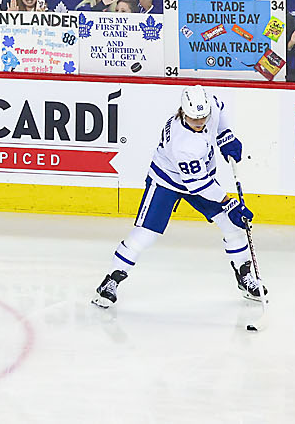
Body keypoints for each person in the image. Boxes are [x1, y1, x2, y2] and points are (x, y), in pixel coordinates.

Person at [92, 85, 263, 308]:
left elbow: (219, 111)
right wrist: (229, 202)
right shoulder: (184, 145)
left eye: (203, 117)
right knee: (145, 235)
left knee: (233, 226)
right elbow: (200, 186)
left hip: (202, 178)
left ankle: (244, 276)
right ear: (183, 113)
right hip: (168, 181)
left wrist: (225, 135)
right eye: (194, 119)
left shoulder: (209, 105)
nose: (200, 122)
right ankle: (111, 280)